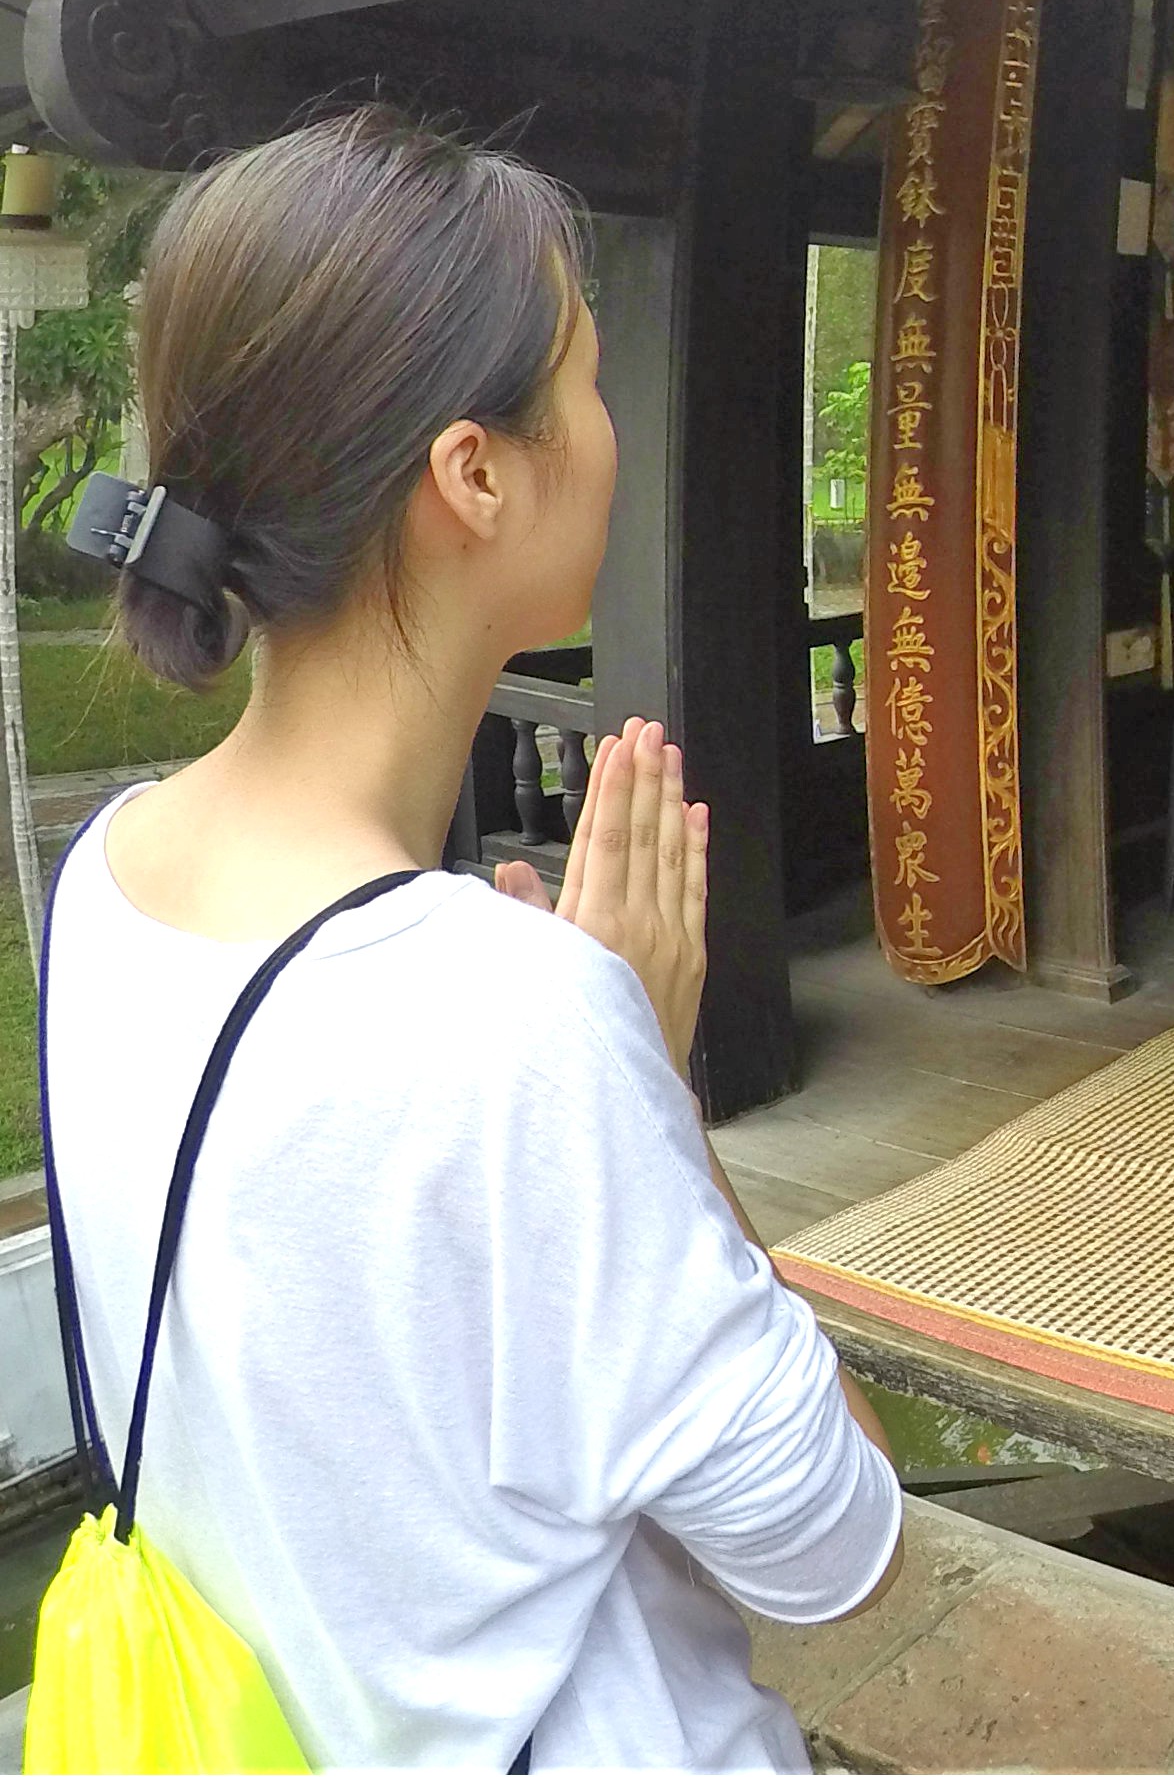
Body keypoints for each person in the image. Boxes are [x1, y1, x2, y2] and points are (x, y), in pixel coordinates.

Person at [36, 110, 905, 1767]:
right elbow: (836, 1548)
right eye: (583, 375)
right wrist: (650, 1084)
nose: (609, 425)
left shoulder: (106, 876)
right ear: (474, 472)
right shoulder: (517, 1021)